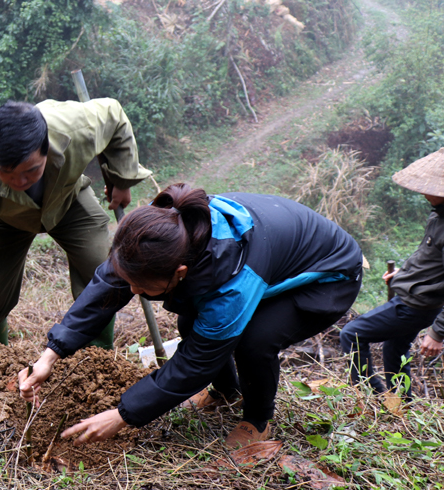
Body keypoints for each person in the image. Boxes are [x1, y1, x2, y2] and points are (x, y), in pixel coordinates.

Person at [19, 184, 363, 449]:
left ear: (181, 271)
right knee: (192, 322)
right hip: (274, 258)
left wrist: (123, 415)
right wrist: (51, 354)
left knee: (255, 340)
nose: (133, 292)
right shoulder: (157, 235)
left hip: (326, 277)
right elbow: (108, 286)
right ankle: (227, 391)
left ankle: (258, 421)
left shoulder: (234, 284)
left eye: (141, 287)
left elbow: (196, 362)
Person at [0, 99, 151, 375]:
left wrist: (121, 178)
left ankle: (94, 362)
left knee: (100, 266)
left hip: (67, 200)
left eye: (31, 171)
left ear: (46, 150)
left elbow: (116, 114)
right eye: (7, 173)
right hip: (4, 219)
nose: (20, 182)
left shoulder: (77, 126)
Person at [340, 148, 444, 396]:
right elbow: (432, 260)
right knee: (394, 348)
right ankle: (400, 401)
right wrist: (404, 275)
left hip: (415, 306)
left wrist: (438, 333)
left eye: (428, 188)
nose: (423, 192)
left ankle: (370, 396)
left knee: (353, 334)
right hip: (416, 299)